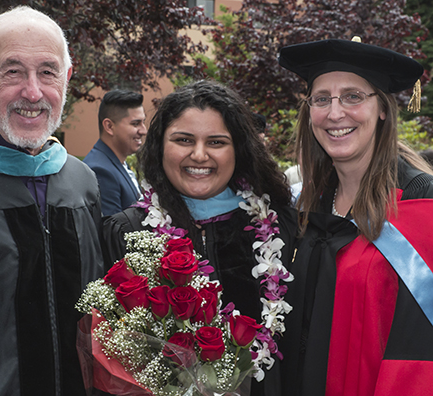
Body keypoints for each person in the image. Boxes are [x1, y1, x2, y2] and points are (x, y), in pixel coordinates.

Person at [0, 6, 103, 396]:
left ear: (67, 78)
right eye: (12, 71)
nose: (33, 91)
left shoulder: (80, 183)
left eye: (48, 71)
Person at [102, 80, 297, 395]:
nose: (199, 155)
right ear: (159, 145)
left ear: (240, 148)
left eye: (217, 142)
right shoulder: (128, 232)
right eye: (183, 139)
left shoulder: (279, 226)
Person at [277, 37, 433, 395]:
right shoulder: (307, 204)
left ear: (382, 108)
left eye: (352, 96)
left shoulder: (421, 201)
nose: (335, 114)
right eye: (322, 99)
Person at [83, 89, 147, 215]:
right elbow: (111, 231)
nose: (143, 131)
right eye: (135, 124)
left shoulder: (115, 162)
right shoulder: (100, 170)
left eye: (143, 122)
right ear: (109, 127)